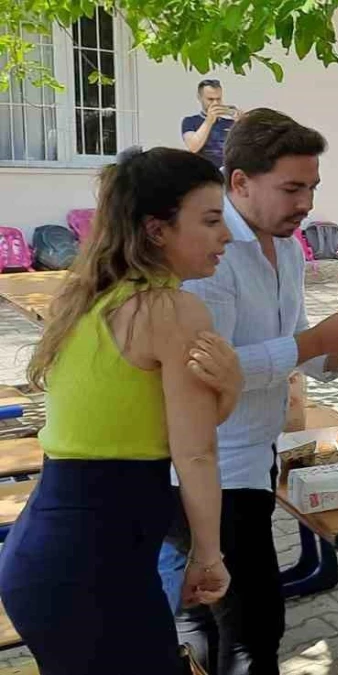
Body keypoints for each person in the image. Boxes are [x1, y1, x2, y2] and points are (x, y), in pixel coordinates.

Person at [160, 109, 338, 675]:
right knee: (250, 630)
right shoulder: (207, 257)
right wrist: (312, 343)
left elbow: (291, 350)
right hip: (204, 469)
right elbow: (209, 370)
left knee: (222, 621)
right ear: (239, 182)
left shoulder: (286, 245)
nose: (306, 203)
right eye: (291, 188)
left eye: (311, 187)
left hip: (252, 458)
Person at [0, 148, 238, 674]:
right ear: (158, 229)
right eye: (212, 220)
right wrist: (208, 554)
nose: (228, 236)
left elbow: (148, 429)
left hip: (50, 559)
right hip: (90, 573)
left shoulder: (91, 300)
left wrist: (230, 388)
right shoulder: (171, 310)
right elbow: (195, 451)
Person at [181, 79, 237, 169]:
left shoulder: (230, 123)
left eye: (218, 99)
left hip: (227, 172)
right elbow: (193, 147)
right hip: (204, 172)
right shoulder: (190, 121)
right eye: (210, 99)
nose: (215, 103)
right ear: (199, 97)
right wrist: (209, 121)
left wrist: (243, 122)